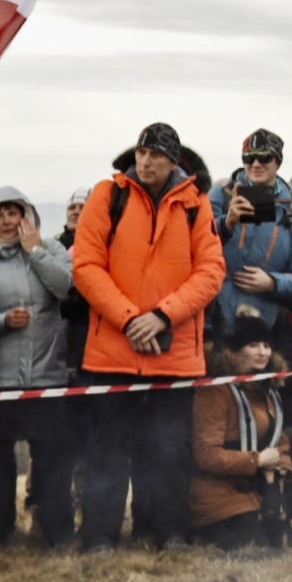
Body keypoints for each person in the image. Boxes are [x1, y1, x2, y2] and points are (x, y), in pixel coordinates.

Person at [69, 122, 226, 553]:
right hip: (112, 350)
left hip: (173, 352)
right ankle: (99, 537)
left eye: (156, 154)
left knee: (170, 449)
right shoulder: (108, 195)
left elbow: (211, 270)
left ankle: (169, 532)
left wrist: (161, 317)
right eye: (141, 152)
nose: (146, 161)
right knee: (107, 450)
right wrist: (128, 320)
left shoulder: (196, 204)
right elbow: (86, 266)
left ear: (174, 161)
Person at [0, 187, 77, 547]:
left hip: (48, 373)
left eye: (13, 213)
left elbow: (66, 289)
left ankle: (56, 533)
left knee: (52, 457)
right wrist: (3, 322)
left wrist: (35, 251)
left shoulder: (51, 250)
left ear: (27, 216)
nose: (7, 221)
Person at [212, 129, 292, 353]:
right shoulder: (220, 195)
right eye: (249, 158)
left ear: (278, 161)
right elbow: (193, 246)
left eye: (265, 157)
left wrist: (272, 283)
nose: (256, 164)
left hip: (262, 330)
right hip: (214, 323)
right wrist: (226, 224)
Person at [191, 338, 292, 550]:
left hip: (256, 488)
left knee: (284, 541)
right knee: (254, 548)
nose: (262, 352)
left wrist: (277, 477)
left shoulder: (266, 388)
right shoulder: (214, 391)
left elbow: (280, 439)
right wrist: (257, 461)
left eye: (267, 345)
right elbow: (206, 455)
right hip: (218, 493)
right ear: (235, 350)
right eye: (253, 345)